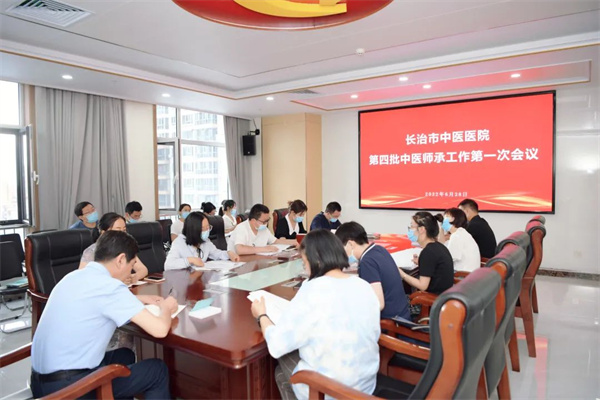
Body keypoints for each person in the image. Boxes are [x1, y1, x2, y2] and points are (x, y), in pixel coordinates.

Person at [31, 230, 177, 399]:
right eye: (131, 265)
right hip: (70, 390)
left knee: (124, 355)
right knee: (156, 371)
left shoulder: (72, 277)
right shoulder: (109, 286)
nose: (130, 272)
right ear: (121, 260)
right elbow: (160, 330)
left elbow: (95, 301)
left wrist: (139, 299)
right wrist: (166, 307)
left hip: (40, 384)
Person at [250, 230, 380, 400]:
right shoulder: (363, 285)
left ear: (316, 260)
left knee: (280, 369)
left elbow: (277, 345)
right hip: (365, 386)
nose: (305, 269)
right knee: (284, 373)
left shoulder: (312, 289)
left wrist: (262, 315)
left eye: (304, 263)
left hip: (331, 391)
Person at [336, 221, 410, 320]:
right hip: (403, 314)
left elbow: (378, 304)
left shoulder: (367, 262)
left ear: (350, 244)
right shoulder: (379, 249)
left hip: (391, 322)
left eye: (342, 249)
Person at [79, 212, 149, 284]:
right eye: (118, 230)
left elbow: (143, 269)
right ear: (104, 233)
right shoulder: (91, 251)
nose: (122, 234)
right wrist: (116, 281)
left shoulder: (126, 247)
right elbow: (83, 279)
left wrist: (134, 277)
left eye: (124, 230)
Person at [399, 212, 454, 294]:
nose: (410, 230)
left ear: (421, 229)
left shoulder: (428, 252)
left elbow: (422, 286)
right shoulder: (438, 246)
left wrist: (401, 274)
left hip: (433, 299)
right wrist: (421, 262)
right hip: (444, 296)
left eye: (412, 226)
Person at [165, 211, 240, 270]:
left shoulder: (205, 240)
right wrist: (190, 260)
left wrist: (229, 254)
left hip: (200, 277)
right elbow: (168, 265)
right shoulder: (179, 242)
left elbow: (216, 253)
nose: (207, 231)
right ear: (193, 230)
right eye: (203, 229)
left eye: (208, 227)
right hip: (185, 280)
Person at [228, 204, 298, 255]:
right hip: (238, 263)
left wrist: (295, 242)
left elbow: (276, 241)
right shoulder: (241, 228)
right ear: (253, 220)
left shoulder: (263, 229)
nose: (266, 224)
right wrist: (265, 249)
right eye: (264, 221)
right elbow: (240, 249)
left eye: (267, 220)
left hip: (256, 260)